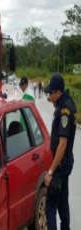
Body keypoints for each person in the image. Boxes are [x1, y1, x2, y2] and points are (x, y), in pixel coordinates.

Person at [44, 74, 76, 230]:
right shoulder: (62, 105)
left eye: (51, 93)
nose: (49, 96)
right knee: (63, 202)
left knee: (50, 206)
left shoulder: (64, 111)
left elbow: (62, 144)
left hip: (61, 165)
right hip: (64, 163)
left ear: (58, 92)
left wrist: (50, 172)